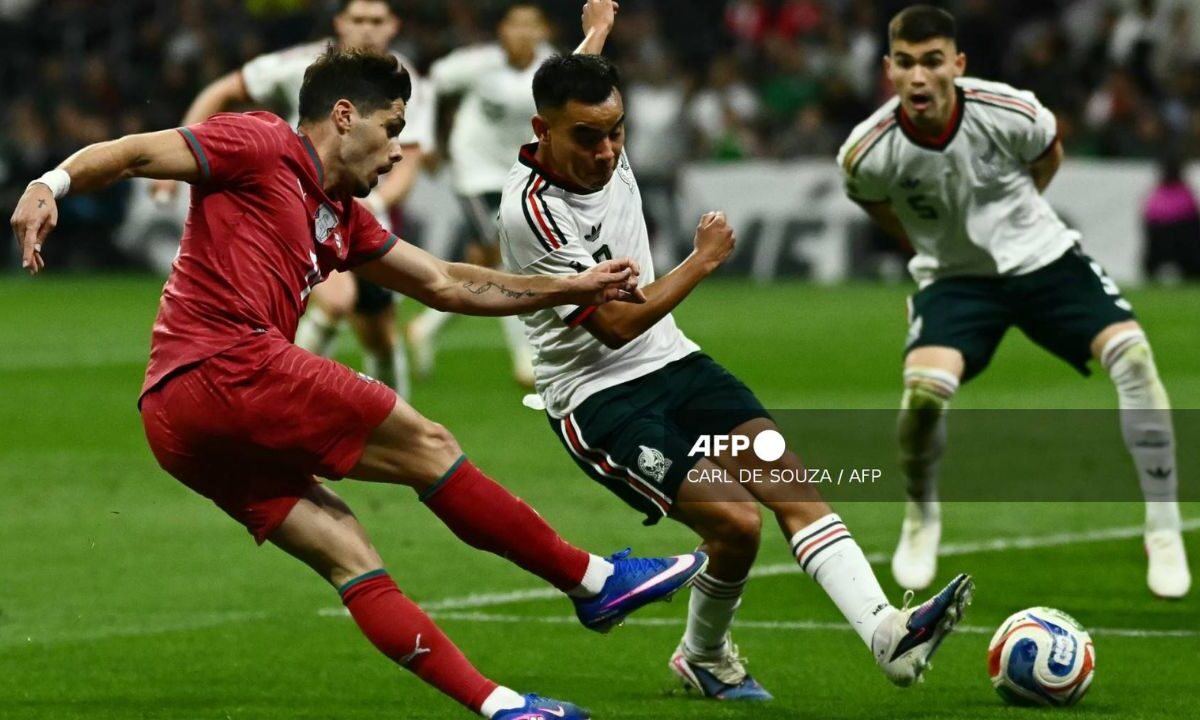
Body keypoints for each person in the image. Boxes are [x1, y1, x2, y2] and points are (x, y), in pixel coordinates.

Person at [11, 47, 708, 720]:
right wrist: (52, 183)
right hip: (229, 364)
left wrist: (567, 285)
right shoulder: (259, 143)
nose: (400, 150)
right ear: (344, 115)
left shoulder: (341, 217)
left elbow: (443, 283)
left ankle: (502, 707)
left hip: (175, 416)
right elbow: (135, 152)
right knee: (428, 444)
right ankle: (592, 581)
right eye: (393, 128)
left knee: (349, 554)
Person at [498, 52, 974, 702]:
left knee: (792, 485)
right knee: (737, 523)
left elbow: (583, 73)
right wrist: (700, 262)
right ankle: (705, 654)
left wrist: (596, 32)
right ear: (541, 130)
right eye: (588, 136)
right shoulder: (532, 211)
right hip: (598, 399)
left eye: (617, 132)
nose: (608, 150)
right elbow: (611, 324)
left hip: (677, 365)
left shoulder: (596, 134)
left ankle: (885, 633)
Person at [836, 5, 1190, 598]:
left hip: (1045, 259)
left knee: (1133, 358)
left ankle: (1163, 526)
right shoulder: (867, 151)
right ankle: (922, 517)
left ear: (958, 64)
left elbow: (1048, 155)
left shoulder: (1012, 110)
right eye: (905, 64)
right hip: (954, 279)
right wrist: (924, 251)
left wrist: (1019, 224)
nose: (919, 77)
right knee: (921, 401)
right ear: (888, 70)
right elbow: (870, 199)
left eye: (932, 62)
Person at [151, 0, 435, 397]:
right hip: (296, 207)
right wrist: (187, 147)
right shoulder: (304, 63)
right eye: (357, 19)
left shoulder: (409, 85)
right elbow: (224, 89)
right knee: (336, 300)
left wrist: (378, 202)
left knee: (381, 336)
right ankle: (274, 393)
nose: (366, 29)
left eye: (376, 21)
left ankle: (391, 418)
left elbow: (409, 161)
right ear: (340, 22)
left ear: (393, 26)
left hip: (363, 214)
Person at [407, 3, 596, 387]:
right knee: (512, 256)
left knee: (489, 258)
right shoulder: (475, 64)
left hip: (520, 172)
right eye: (515, 25)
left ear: (543, 30)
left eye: (531, 25)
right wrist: (424, 139)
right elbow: (428, 85)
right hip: (474, 171)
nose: (523, 33)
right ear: (502, 31)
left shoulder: (554, 70)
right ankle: (525, 358)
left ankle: (427, 325)